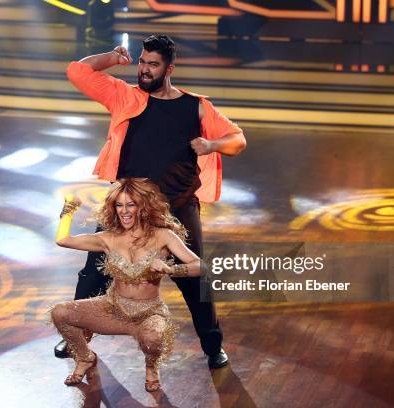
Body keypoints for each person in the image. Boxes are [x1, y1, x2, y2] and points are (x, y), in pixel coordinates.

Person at [56, 34, 246, 368]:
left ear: (169, 68)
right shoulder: (124, 95)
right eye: (142, 62)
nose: (144, 70)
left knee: (193, 278)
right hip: (127, 207)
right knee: (94, 272)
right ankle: (77, 335)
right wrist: (112, 59)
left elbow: (238, 139)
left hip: (177, 207)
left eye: (152, 65)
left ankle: (213, 346)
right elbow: (78, 71)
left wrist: (212, 146)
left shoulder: (196, 105)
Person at [51, 178, 202, 392]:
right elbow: (63, 240)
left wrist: (172, 269)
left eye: (130, 204)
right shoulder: (107, 238)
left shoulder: (163, 236)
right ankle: (84, 357)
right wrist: (69, 208)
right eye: (119, 205)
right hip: (112, 309)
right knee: (60, 313)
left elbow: (200, 266)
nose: (124, 211)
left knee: (153, 338)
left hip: (148, 314)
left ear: (143, 207)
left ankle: (151, 367)